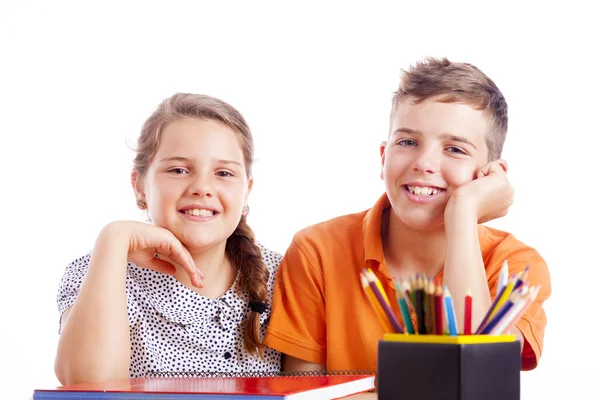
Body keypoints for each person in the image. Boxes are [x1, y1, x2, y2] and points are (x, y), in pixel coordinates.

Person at [264, 57, 551, 372]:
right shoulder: (316, 251)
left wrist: (463, 211)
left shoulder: (517, 265)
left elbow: (478, 374)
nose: (424, 163)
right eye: (408, 142)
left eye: (455, 149)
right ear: (384, 157)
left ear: (492, 176)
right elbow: (305, 392)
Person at [55, 93, 282, 385]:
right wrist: (113, 238)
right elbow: (87, 384)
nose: (202, 187)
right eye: (178, 170)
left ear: (246, 191)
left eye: (223, 173)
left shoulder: (284, 277)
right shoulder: (97, 271)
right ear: (139, 186)